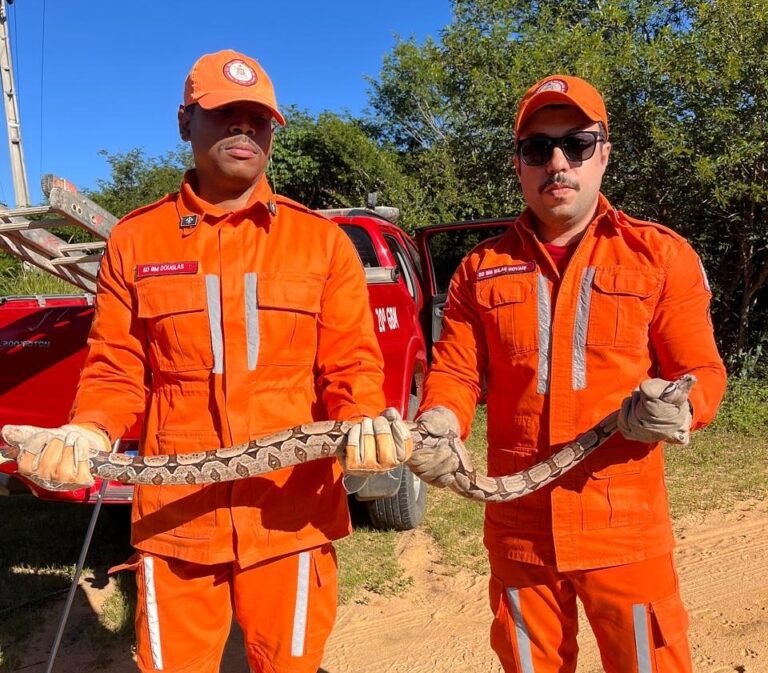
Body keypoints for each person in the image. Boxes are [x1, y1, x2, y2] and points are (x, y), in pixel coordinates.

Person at [1, 49, 411, 673]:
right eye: (224, 114)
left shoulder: (321, 243)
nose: (243, 128)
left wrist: (363, 421)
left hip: (291, 517)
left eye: (258, 118)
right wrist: (89, 429)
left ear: (271, 131)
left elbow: (351, 363)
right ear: (184, 122)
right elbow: (115, 366)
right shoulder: (136, 240)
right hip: (178, 521)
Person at [409, 75, 727, 672]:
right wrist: (439, 421)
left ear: (604, 152)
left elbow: (700, 369)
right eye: (538, 148)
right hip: (519, 531)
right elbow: (456, 372)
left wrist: (682, 408)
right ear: (518, 164)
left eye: (576, 144)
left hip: (623, 526)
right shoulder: (479, 269)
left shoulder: (659, 255)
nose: (557, 163)